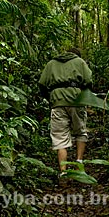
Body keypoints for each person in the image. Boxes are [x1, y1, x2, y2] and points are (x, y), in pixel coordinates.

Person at [39, 47, 92, 175]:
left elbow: (41, 84)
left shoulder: (51, 63)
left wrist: (50, 97)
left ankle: (63, 171)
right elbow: (89, 81)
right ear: (76, 55)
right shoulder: (80, 62)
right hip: (77, 100)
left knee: (60, 137)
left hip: (57, 102)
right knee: (80, 131)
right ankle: (79, 163)